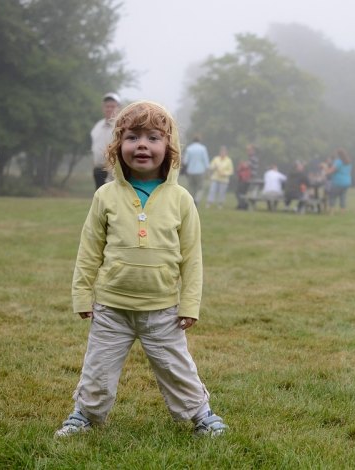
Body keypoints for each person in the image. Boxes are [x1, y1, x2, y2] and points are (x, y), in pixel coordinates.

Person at [56, 101, 228, 439]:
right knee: (98, 368)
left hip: (163, 310)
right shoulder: (105, 195)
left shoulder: (181, 199)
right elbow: (89, 248)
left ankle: (201, 415)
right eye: (132, 137)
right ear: (118, 146)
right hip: (111, 308)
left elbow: (192, 258)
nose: (143, 145)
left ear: (170, 148)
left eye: (153, 137)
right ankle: (86, 415)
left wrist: (190, 304)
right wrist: (82, 293)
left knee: (177, 368)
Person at [90, 92, 120, 190]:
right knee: (99, 199)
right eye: (107, 106)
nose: (109, 109)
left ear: (118, 108)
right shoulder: (97, 126)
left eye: (112, 106)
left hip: (113, 171)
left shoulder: (120, 126)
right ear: (103, 108)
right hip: (98, 169)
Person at [182, 135, 210, 204]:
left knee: (192, 187)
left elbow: (185, 161)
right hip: (200, 171)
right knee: (200, 187)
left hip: (190, 171)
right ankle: (197, 199)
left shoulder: (189, 148)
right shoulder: (203, 148)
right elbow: (206, 161)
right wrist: (208, 171)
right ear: (200, 141)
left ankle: (191, 200)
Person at [327, 148, 353, 214]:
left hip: (338, 182)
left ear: (338, 155)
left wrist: (325, 169)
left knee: (332, 196)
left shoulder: (338, 162)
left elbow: (331, 171)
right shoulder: (348, 162)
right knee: (343, 197)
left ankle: (331, 212)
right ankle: (342, 212)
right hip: (347, 182)